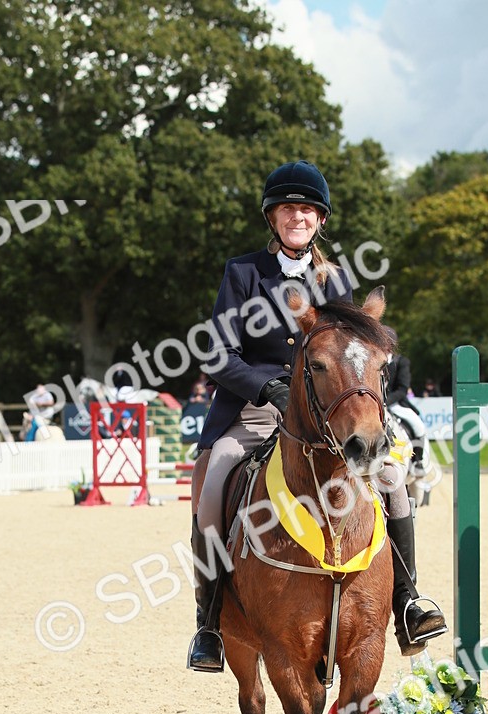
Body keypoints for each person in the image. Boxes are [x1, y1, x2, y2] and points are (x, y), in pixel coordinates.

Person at [187, 159, 446, 672]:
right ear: (273, 218)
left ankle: (408, 600)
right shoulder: (242, 274)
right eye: (288, 209)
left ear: (320, 219)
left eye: (306, 209)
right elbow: (218, 356)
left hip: (327, 414)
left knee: (391, 474)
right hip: (255, 410)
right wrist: (269, 388)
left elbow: (350, 351)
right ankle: (209, 621)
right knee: (216, 477)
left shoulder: (337, 280)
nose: (297, 216)